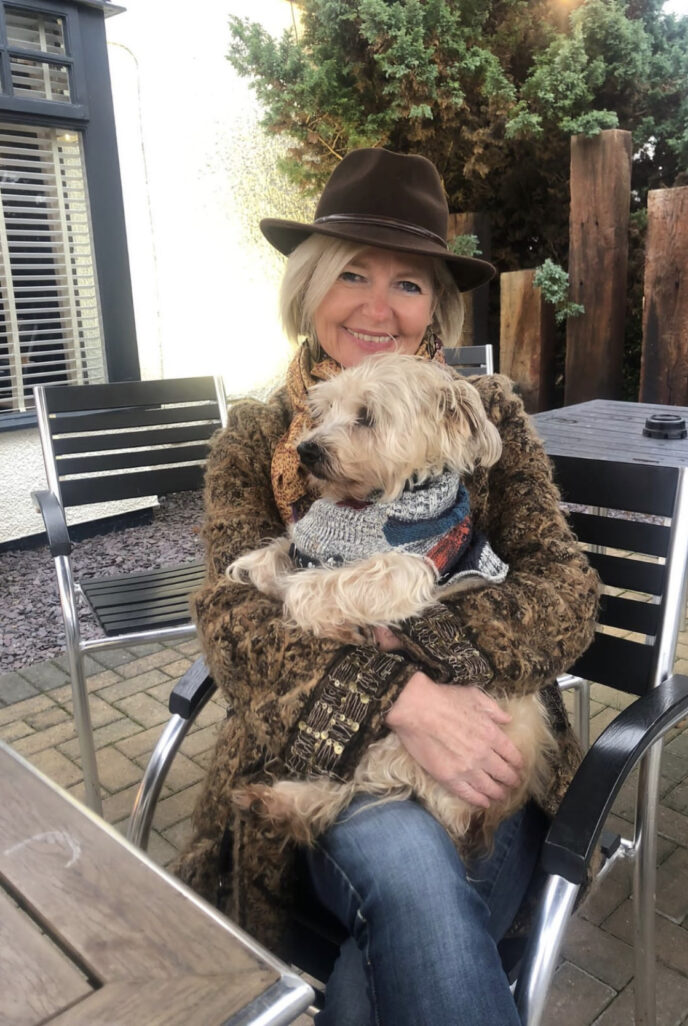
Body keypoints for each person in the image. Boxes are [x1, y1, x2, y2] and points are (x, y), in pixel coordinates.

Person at [175, 148, 600, 1026]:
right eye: (353, 274)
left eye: (408, 284)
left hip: (485, 754)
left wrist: (423, 646)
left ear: (433, 307)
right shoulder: (256, 437)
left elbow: (565, 592)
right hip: (311, 759)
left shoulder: (484, 416)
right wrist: (401, 697)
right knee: (411, 880)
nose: (378, 306)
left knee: (391, 947)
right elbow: (233, 622)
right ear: (310, 287)